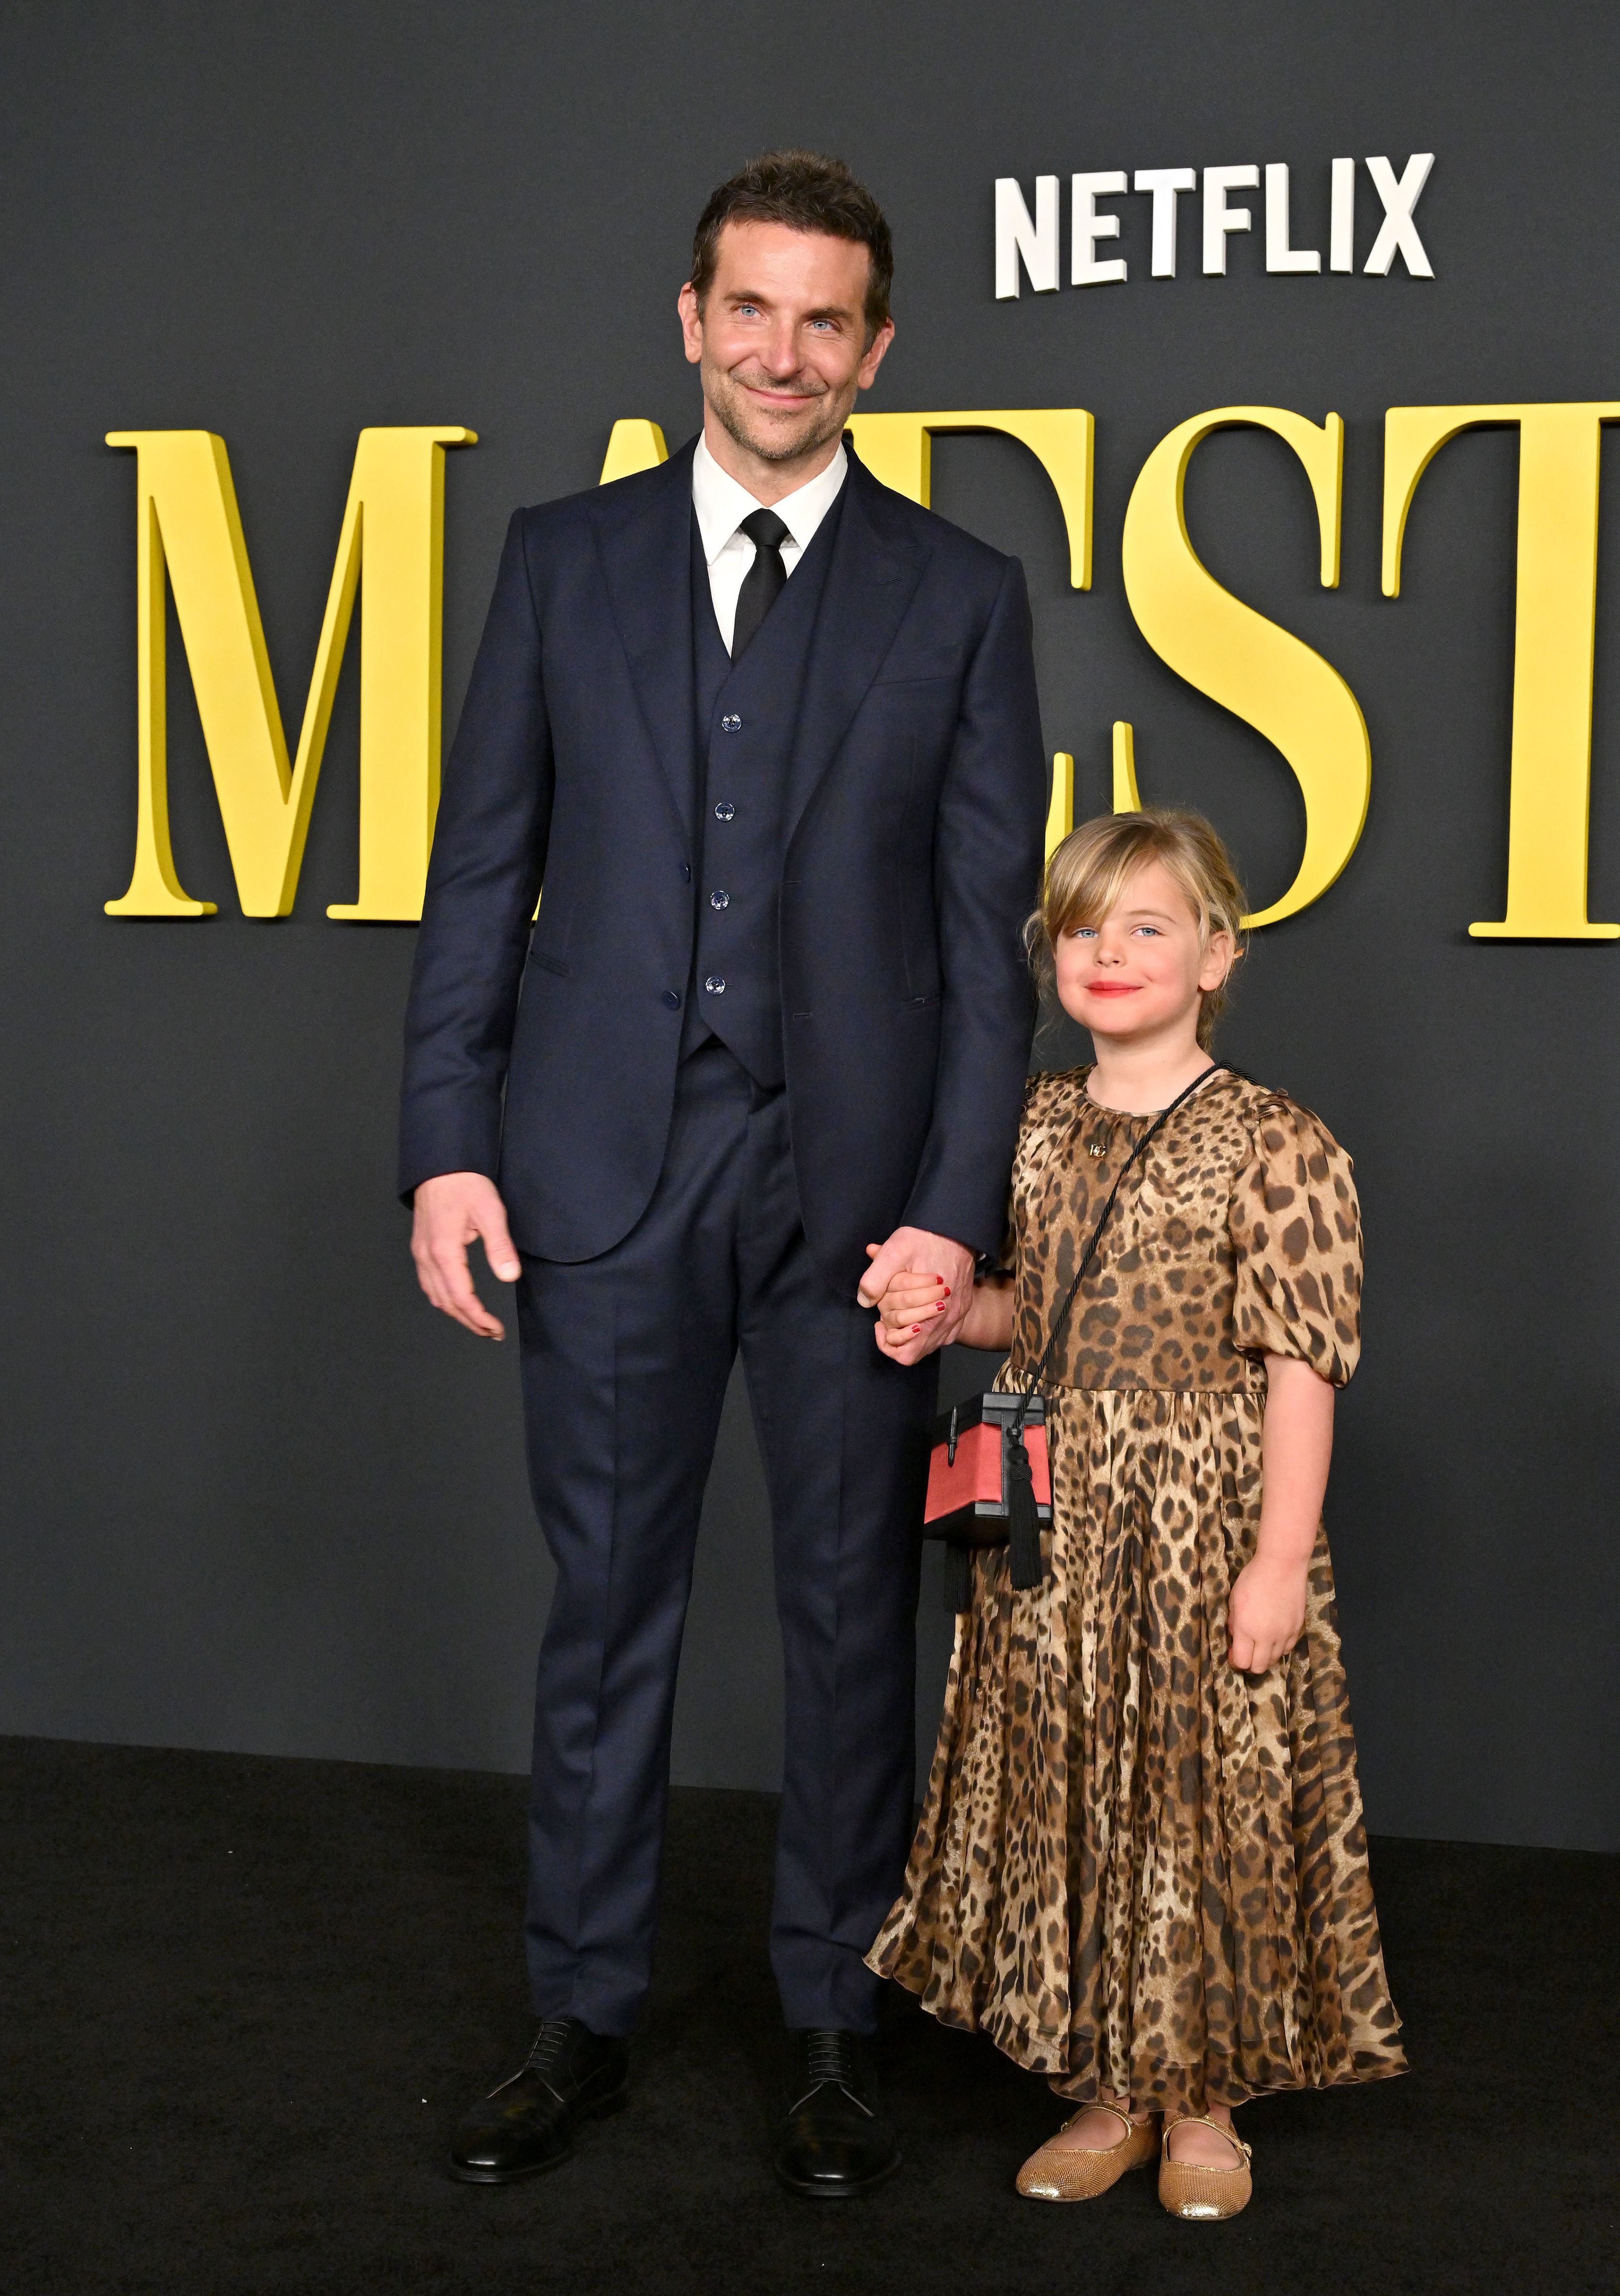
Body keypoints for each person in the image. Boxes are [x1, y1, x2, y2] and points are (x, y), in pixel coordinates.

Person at [397, 149, 1046, 2195]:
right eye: (748, 310)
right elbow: (478, 873)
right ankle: (581, 2010)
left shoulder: (959, 596)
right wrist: (446, 1146)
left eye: (824, 320)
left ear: (877, 350)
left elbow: (979, 945)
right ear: (690, 320)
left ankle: (834, 2025)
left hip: (856, 1196)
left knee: (861, 1618)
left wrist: (952, 1208)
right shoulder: (556, 560)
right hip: (598, 1168)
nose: (784, 352)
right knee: (606, 1610)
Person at [868, 807, 1406, 2218]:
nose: (1108, 953)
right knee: (1068, 1792)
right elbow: (1023, 1313)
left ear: (1216, 954)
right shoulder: (1028, 1119)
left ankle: (1203, 2104)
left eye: (1146, 926)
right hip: (1054, 1529)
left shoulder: (1275, 1143)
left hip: (1201, 1527)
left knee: (1194, 1806)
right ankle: (1107, 2091)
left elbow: (1301, 1371)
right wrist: (942, 1317)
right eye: (1082, 929)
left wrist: (1276, 1560)